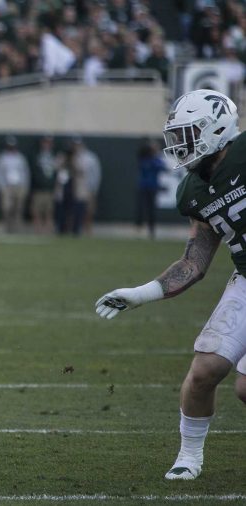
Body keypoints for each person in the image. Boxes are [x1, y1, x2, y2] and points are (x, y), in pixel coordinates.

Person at [95, 89, 245, 481]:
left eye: (188, 134)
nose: (180, 144)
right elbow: (195, 261)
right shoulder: (193, 190)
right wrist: (142, 293)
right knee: (203, 372)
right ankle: (189, 457)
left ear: (216, 129)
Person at [0, 136, 29, 233]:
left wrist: (24, 186)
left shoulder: (20, 158)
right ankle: (6, 228)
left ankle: (16, 228)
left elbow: (25, 172)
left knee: (18, 208)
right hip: (6, 186)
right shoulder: (2, 158)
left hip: (19, 186)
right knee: (6, 208)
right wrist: (1, 186)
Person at [70, 137, 101, 235]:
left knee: (89, 210)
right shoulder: (72, 157)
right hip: (76, 188)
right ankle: (76, 229)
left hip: (88, 187)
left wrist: (94, 188)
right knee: (77, 209)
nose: (77, 147)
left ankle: (88, 229)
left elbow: (96, 173)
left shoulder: (90, 157)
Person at [136, 139, 166, 239]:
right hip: (143, 186)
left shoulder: (155, 160)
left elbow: (162, 166)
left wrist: (155, 153)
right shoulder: (144, 159)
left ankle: (151, 229)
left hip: (152, 187)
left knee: (151, 209)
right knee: (141, 207)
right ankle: (139, 226)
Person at [30, 136, 57, 234]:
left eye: (49, 142)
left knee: (49, 211)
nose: (47, 145)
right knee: (36, 211)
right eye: (45, 142)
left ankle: (47, 231)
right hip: (38, 189)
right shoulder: (36, 155)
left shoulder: (55, 156)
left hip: (50, 189)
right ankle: (38, 231)